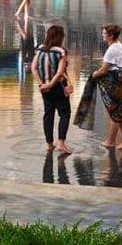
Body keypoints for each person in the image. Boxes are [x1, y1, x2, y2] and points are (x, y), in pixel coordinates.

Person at [88, 24, 122, 151]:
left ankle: (111, 141)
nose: (103, 35)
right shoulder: (119, 45)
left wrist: (94, 74)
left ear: (111, 35)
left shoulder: (111, 50)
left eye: (104, 33)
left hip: (114, 84)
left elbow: (103, 70)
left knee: (114, 112)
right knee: (119, 112)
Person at [32, 24, 73, 156]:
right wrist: (51, 85)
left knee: (48, 114)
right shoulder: (61, 52)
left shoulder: (40, 49)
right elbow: (60, 72)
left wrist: (42, 84)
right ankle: (61, 142)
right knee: (65, 113)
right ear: (59, 37)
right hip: (58, 87)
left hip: (44, 87)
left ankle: (49, 144)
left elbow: (34, 67)